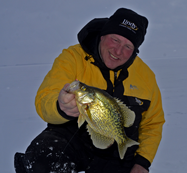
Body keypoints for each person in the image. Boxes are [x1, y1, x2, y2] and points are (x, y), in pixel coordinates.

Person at [14, 8, 165, 173]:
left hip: (117, 154)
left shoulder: (146, 76)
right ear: (102, 36)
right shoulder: (73, 57)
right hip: (72, 141)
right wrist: (60, 107)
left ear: (135, 51)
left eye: (128, 46)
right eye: (115, 39)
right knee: (41, 158)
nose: (118, 51)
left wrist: (142, 163)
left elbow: (153, 124)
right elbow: (45, 98)